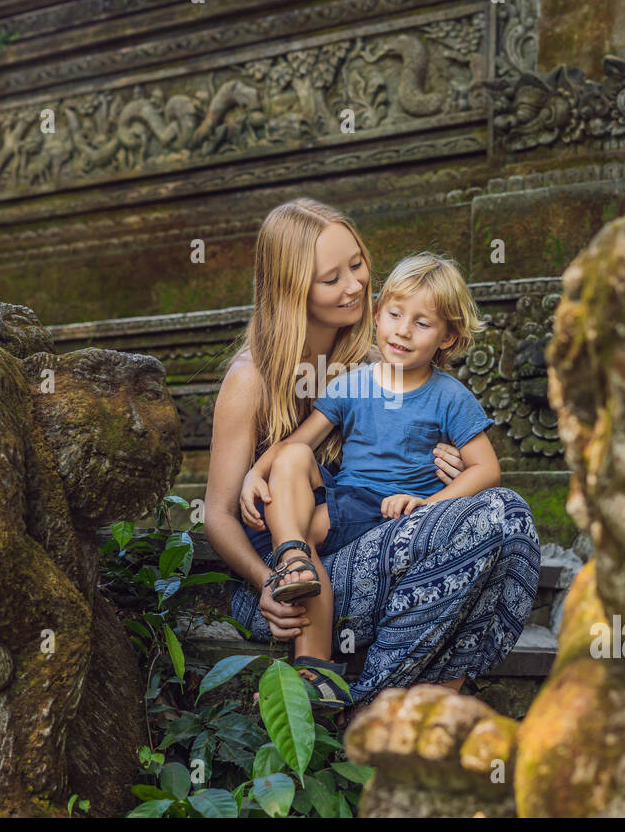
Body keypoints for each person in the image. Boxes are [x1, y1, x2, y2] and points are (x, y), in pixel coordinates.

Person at [202, 198, 541, 710]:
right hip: (291, 583)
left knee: (509, 519)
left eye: (358, 264)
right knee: (498, 515)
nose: (356, 285)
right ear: (292, 288)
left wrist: (446, 473)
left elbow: (433, 442)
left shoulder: (378, 361)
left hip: (378, 531)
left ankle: (420, 698)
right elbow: (217, 516)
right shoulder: (251, 378)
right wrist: (266, 579)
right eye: (332, 278)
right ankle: (368, 701)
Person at [237, 253, 501, 707]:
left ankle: (311, 645)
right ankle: (310, 648)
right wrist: (254, 475)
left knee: (308, 531)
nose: (402, 330)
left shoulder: (449, 396)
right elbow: (296, 446)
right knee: (300, 507)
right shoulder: (350, 383)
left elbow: (487, 468)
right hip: (349, 500)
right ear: (378, 313)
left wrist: (431, 503)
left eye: (422, 323)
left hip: (398, 511)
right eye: (395, 314)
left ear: (448, 337)